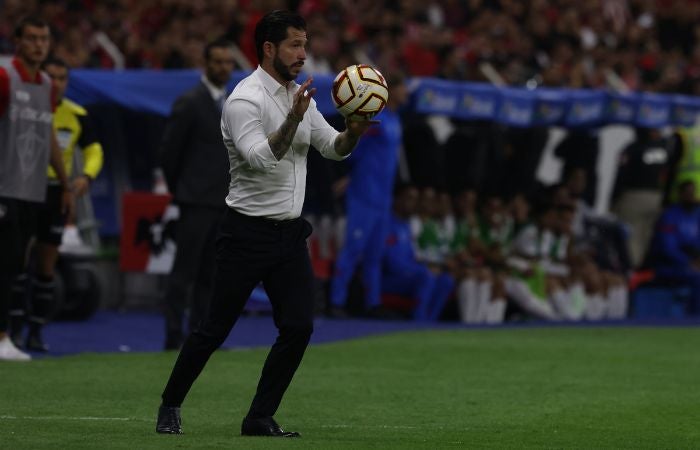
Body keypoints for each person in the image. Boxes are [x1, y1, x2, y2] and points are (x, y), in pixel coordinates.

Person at [155, 10, 376, 437]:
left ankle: (258, 417)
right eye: (295, 45)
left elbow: (333, 148)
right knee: (212, 329)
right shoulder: (244, 100)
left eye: (305, 45)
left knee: (299, 326)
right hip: (245, 233)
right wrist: (294, 118)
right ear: (269, 48)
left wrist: (355, 130)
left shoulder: (298, 94)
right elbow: (259, 160)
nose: (303, 54)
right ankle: (171, 402)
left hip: (290, 234)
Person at [8, 56, 104, 352]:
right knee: (16, 262)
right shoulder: (23, 108)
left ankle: (35, 332)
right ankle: (10, 332)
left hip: (55, 190)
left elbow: (94, 149)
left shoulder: (77, 114)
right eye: (53, 76)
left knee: (46, 264)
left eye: (63, 78)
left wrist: (86, 176)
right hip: (22, 188)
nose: (57, 83)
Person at [0, 17, 73, 361]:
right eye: (31, 38)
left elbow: (47, 139)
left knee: (15, 265)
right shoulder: (4, 77)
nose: (38, 45)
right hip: (4, 187)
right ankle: (2, 337)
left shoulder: (45, 84)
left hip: (32, 189)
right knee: (5, 263)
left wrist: (66, 184)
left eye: (43, 38)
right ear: (18, 41)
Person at [158, 39, 235, 350]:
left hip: (225, 201)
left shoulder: (234, 104)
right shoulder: (189, 102)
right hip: (195, 201)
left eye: (228, 62)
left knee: (211, 275)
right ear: (205, 64)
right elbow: (169, 153)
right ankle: (174, 336)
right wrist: (182, 190)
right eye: (217, 61)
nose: (223, 67)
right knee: (184, 272)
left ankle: (200, 337)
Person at [328, 73, 408, 317]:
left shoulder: (396, 119)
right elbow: (353, 145)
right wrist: (347, 174)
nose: (406, 93)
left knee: (375, 253)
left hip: (383, 198)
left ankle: (372, 303)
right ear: (391, 91)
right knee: (354, 249)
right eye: (403, 87)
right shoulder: (375, 118)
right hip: (364, 194)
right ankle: (336, 302)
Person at [382, 184, 455, 321]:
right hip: (390, 278)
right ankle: (418, 322)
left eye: (416, 200)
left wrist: (428, 266)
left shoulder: (406, 225)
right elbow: (392, 263)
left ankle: (430, 322)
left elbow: (412, 256)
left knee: (446, 280)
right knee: (426, 277)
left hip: (409, 275)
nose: (414, 204)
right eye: (410, 198)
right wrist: (424, 269)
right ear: (397, 199)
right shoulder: (386, 223)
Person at [648, 180, 700, 316]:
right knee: (697, 278)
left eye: (692, 193)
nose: (691, 197)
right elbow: (667, 248)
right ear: (680, 194)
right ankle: (695, 319)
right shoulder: (669, 215)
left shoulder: (696, 214)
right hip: (669, 266)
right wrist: (688, 262)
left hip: (693, 262)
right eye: (687, 193)